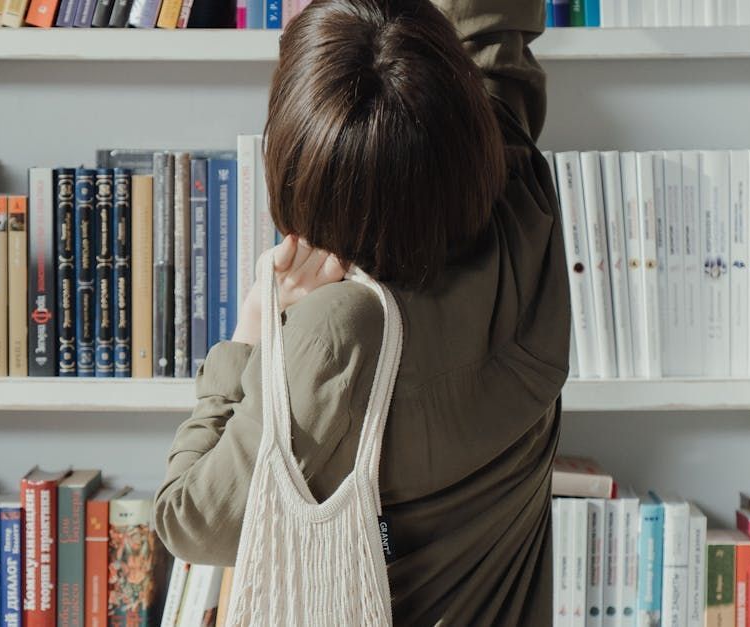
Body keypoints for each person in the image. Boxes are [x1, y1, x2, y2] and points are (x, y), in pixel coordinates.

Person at [153, 0, 568, 624]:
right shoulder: (525, 209)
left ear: (299, 171)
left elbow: (187, 520)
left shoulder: (338, 334)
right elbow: (492, 34)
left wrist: (251, 334)